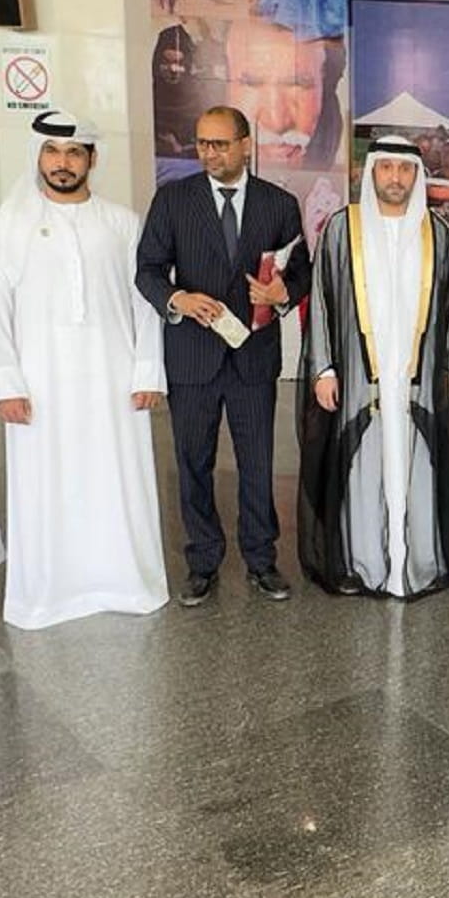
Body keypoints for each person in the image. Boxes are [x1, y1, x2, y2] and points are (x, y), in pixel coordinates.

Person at [0, 111, 168, 630]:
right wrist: (6, 384)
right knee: (46, 482)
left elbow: (145, 302)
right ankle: (50, 594)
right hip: (40, 383)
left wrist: (147, 371)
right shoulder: (8, 225)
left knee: (117, 479)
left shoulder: (122, 223)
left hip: (113, 378)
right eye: (52, 152)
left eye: (74, 153)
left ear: (91, 159)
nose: (62, 163)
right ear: (38, 157)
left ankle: (125, 583)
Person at [136, 105, 310, 607]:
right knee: (193, 463)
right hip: (193, 358)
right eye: (202, 144)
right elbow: (147, 269)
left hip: (253, 359)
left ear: (246, 144)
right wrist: (178, 299)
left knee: (258, 463)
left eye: (220, 144)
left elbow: (300, 270)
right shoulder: (173, 200)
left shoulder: (279, 204)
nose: (208, 153)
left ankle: (261, 560)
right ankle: (202, 562)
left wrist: (281, 294)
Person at [298, 136, 449, 597]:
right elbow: (321, 300)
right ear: (371, 172)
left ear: (417, 176)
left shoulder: (439, 233)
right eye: (386, 167)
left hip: (416, 380)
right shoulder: (342, 228)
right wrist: (324, 369)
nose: (395, 178)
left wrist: (448, 369)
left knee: (417, 469)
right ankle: (366, 564)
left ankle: (419, 563)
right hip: (358, 375)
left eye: (405, 169)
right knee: (363, 472)